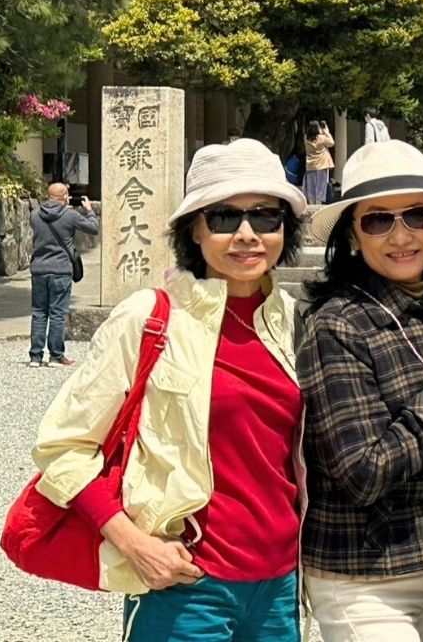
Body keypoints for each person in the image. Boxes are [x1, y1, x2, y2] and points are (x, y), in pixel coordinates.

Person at [28, 140, 306, 638]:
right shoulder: (148, 317)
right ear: (194, 229)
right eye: (223, 218)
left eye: (266, 217)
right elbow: (63, 446)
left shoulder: (292, 320)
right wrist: (133, 543)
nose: (247, 235)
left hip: (279, 586)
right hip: (185, 587)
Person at [297, 140, 423, 642]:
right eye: (378, 220)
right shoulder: (336, 325)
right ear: (353, 236)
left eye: (417, 216)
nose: (401, 235)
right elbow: (362, 472)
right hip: (364, 573)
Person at [27, 181, 98, 368]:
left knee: (39, 312)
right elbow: (93, 228)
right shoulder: (69, 216)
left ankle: (35, 356)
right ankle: (56, 356)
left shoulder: (35, 215)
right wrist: (89, 210)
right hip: (60, 270)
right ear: (65, 196)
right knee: (57, 313)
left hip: (39, 270)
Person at [305, 119, 336, 205]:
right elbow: (332, 143)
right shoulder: (321, 138)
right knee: (320, 188)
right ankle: (318, 207)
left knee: (311, 188)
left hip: (310, 165)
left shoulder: (305, 138)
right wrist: (326, 132)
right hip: (321, 165)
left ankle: (311, 206)